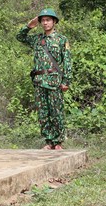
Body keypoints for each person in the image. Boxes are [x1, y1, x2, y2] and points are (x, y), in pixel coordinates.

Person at [17, 8, 72, 150]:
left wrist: (66, 81)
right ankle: (48, 141)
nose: (45, 23)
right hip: (40, 80)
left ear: (54, 22)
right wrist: (29, 26)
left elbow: (67, 61)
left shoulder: (61, 40)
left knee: (56, 111)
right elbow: (20, 37)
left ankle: (58, 141)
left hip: (54, 81)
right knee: (43, 112)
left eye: (48, 20)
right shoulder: (37, 39)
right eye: (43, 20)